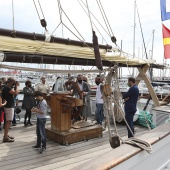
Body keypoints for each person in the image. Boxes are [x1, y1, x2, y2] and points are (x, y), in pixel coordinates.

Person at [2, 77, 20, 142]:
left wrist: (15, 86)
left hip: (8, 106)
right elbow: (16, 93)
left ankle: (6, 135)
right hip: (9, 106)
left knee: (8, 121)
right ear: (11, 82)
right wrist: (17, 86)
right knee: (8, 121)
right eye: (14, 82)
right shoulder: (7, 88)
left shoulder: (7, 87)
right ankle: (5, 137)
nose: (14, 83)